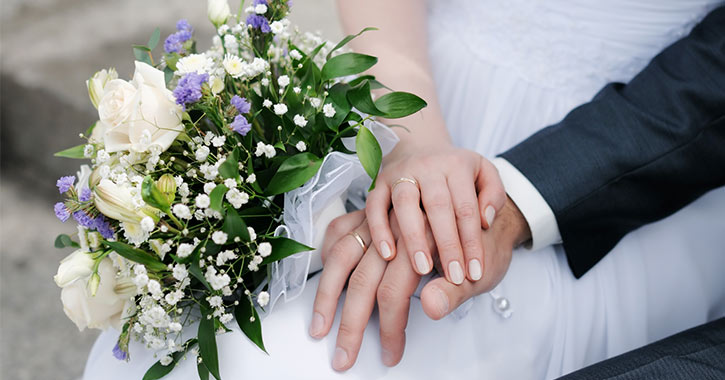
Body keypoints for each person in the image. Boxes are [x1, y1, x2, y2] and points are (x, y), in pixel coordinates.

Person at [84, 1, 725, 378]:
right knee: (170, 349)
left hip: (628, 161)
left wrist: (509, 205)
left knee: (278, 362)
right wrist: (414, 134)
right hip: (411, 89)